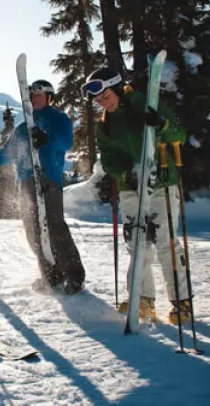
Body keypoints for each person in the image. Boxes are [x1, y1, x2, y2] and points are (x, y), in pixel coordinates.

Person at [81, 66, 191, 324]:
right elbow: (109, 158)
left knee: (166, 242)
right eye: (97, 100)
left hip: (161, 180)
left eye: (104, 95)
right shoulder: (105, 125)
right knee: (137, 243)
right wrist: (124, 174)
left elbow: (179, 134)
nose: (101, 102)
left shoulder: (146, 103)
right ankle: (144, 300)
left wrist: (162, 124)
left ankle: (181, 301)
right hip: (131, 186)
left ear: (117, 86)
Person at [0, 80, 85, 295]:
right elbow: (7, 155)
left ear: (49, 97)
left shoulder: (57, 119)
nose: (35, 98)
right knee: (32, 229)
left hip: (48, 178)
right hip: (26, 183)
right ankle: (51, 276)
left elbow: (66, 141)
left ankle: (74, 275)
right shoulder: (23, 129)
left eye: (40, 94)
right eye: (32, 94)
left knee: (54, 227)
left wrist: (46, 138)